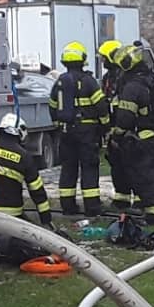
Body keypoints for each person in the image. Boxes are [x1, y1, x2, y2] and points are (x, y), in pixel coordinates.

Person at [109, 42, 154, 226]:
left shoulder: (132, 87)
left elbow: (125, 119)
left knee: (145, 179)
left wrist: (116, 135)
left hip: (142, 141)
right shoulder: (153, 79)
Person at [50, 40, 108, 217]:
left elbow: (52, 106)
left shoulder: (60, 82)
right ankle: (92, 208)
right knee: (89, 167)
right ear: (83, 60)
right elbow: (101, 106)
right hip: (87, 132)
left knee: (68, 168)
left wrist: (58, 126)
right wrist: (105, 125)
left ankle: (68, 207)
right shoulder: (89, 81)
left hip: (66, 132)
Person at [0, 112, 52, 228]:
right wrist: (46, 219)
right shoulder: (24, 156)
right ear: (20, 132)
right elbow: (37, 191)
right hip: (12, 214)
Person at [97, 40, 134, 211]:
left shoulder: (124, 76)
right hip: (113, 128)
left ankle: (140, 201)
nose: (103, 61)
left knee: (132, 165)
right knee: (117, 165)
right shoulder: (108, 78)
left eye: (104, 58)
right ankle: (121, 199)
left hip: (127, 128)